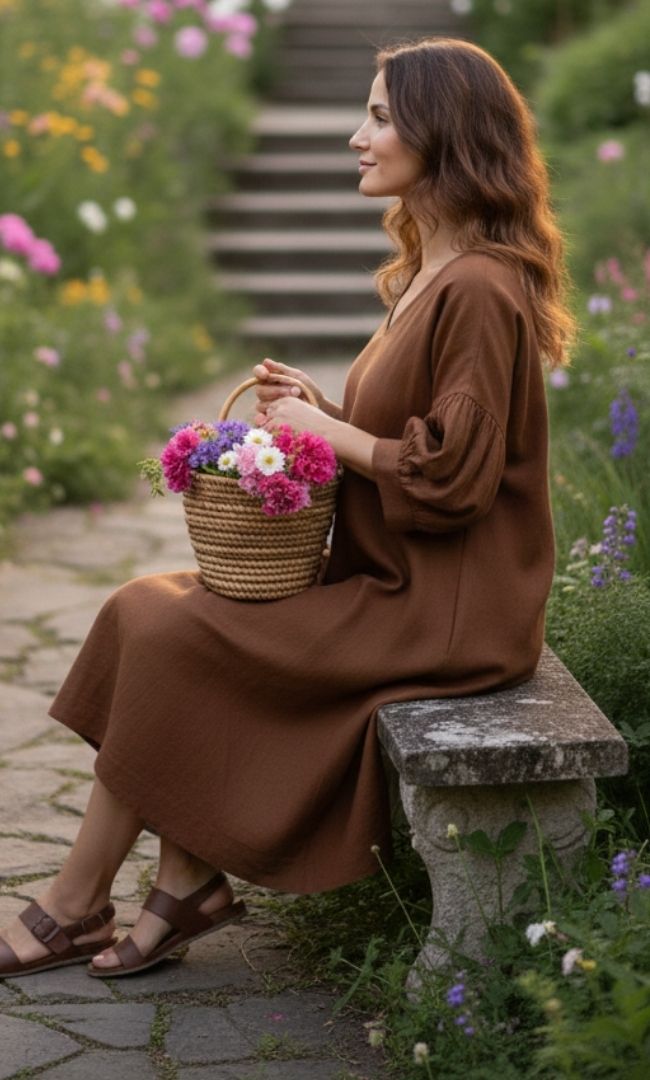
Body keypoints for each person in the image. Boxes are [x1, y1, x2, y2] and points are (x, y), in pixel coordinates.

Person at [0, 36, 575, 978]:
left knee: (162, 624)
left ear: (445, 132)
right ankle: (177, 881)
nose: (357, 135)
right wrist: (333, 413)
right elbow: (425, 441)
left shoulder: (478, 287)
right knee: (154, 614)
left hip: (446, 611)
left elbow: (455, 481)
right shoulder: (434, 274)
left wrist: (333, 433)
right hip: (404, 582)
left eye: (382, 117)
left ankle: (82, 901)